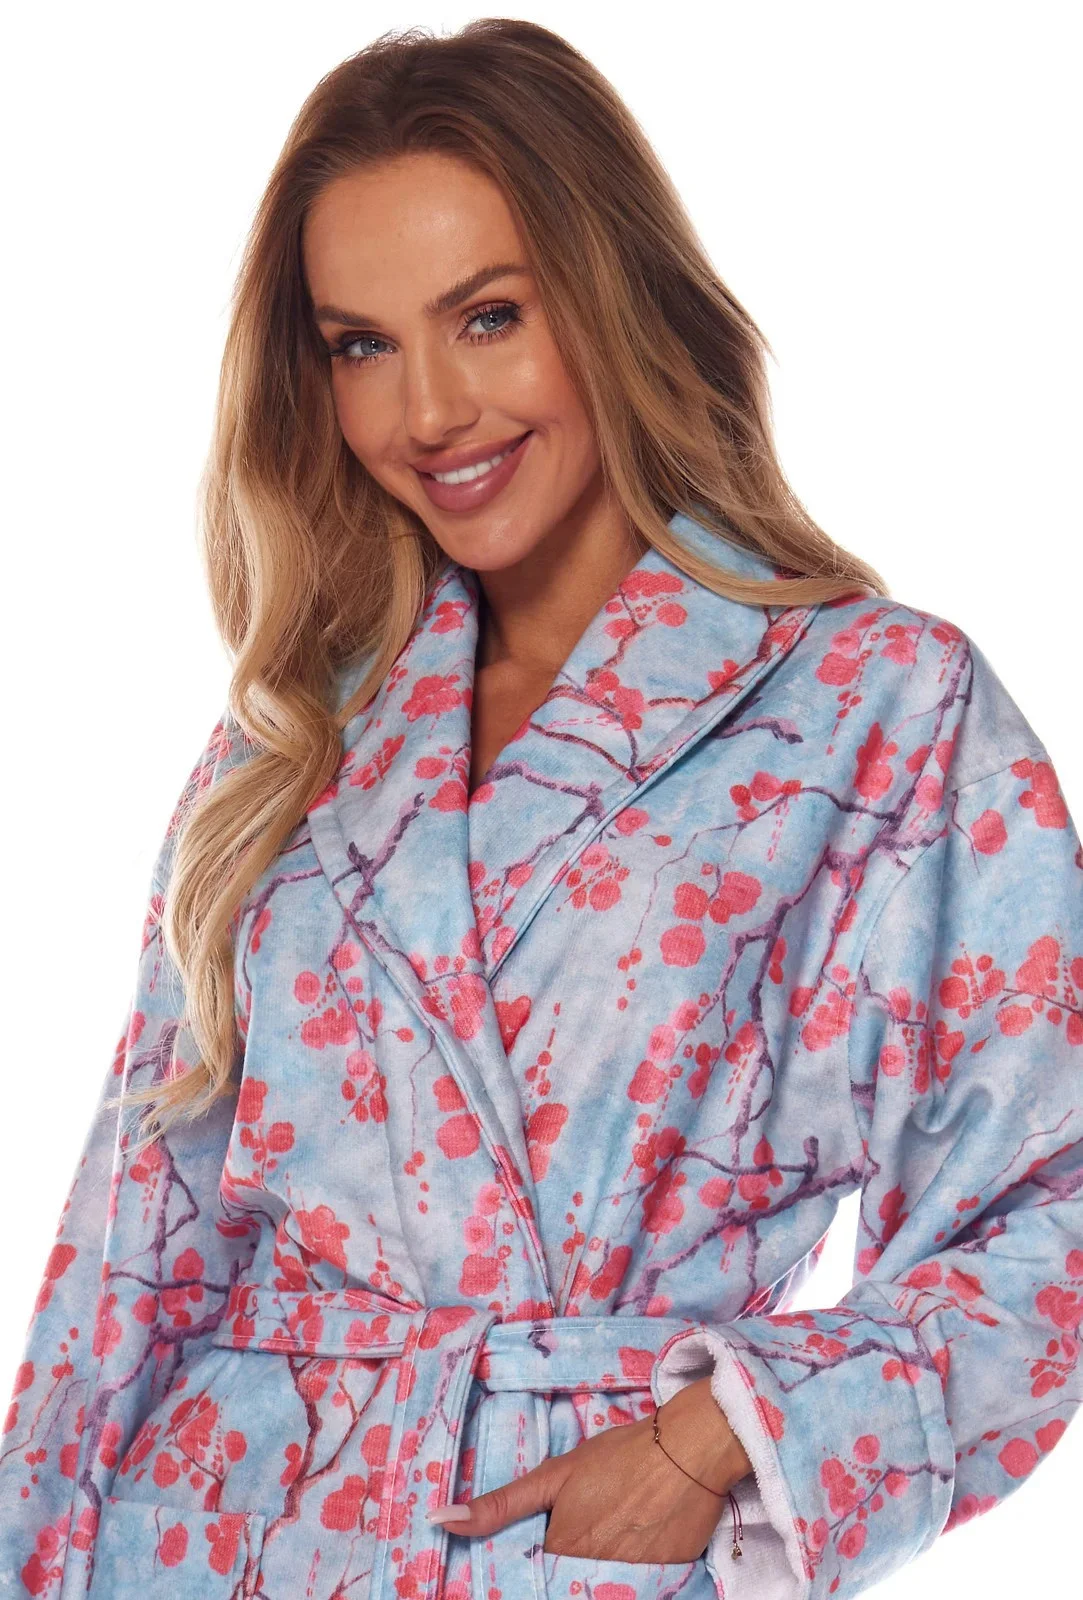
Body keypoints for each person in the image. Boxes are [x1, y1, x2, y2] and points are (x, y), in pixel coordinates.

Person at [2, 17, 1080, 1600]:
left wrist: (711, 1443)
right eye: (359, 345)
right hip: (202, 1533)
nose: (428, 412)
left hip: (566, 1538)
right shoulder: (293, 740)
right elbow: (129, 1249)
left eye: (487, 317)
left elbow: (1050, 1212)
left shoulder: (877, 710)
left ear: (613, 299)